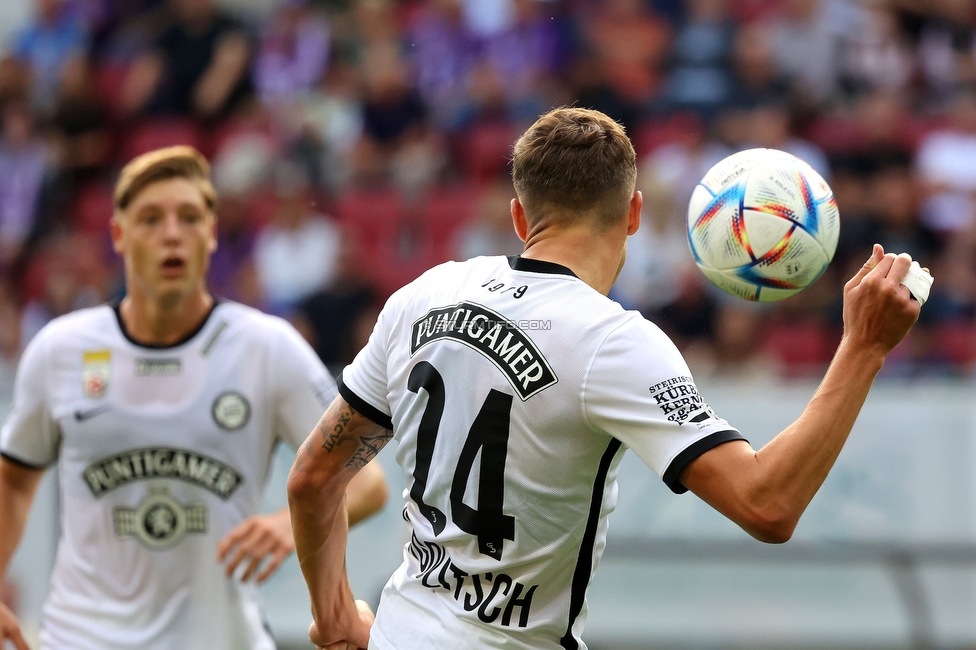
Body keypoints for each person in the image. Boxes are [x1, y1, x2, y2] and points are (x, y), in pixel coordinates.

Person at [286, 108, 921, 650]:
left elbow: (315, 478)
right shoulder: (611, 342)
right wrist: (863, 348)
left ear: (518, 215)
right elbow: (767, 504)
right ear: (635, 211)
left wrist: (333, 615)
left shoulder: (421, 297)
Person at [0, 146, 387, 650]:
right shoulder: (60, 349)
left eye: (188, 218)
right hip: (81, 639)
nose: (171, 233)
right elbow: (13, 482)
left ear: (210, 234)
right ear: (118, 235)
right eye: (150, 219)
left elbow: (368, 482)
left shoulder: (266, 348)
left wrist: (288, 524)